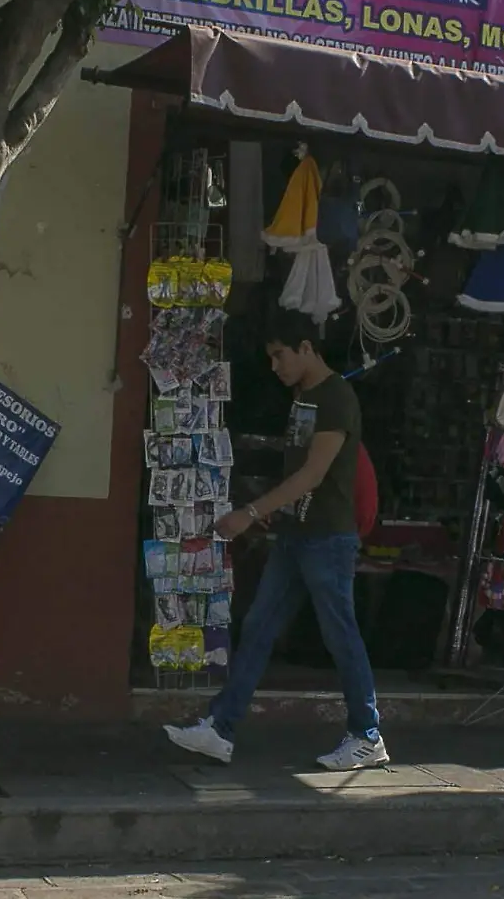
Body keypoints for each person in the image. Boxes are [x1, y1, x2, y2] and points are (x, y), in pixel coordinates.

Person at [165, 310, 386, 771]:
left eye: (280, 355)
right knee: (260, 627)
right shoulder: (306, 397)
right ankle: (220, 728)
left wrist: (250, 513)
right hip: (296, 535)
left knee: (339, 634)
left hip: (326, 539)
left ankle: (367, 735)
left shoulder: (335, 398)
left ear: (306, 348)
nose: (275, 366)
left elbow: (313, 472)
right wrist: (273, 515)